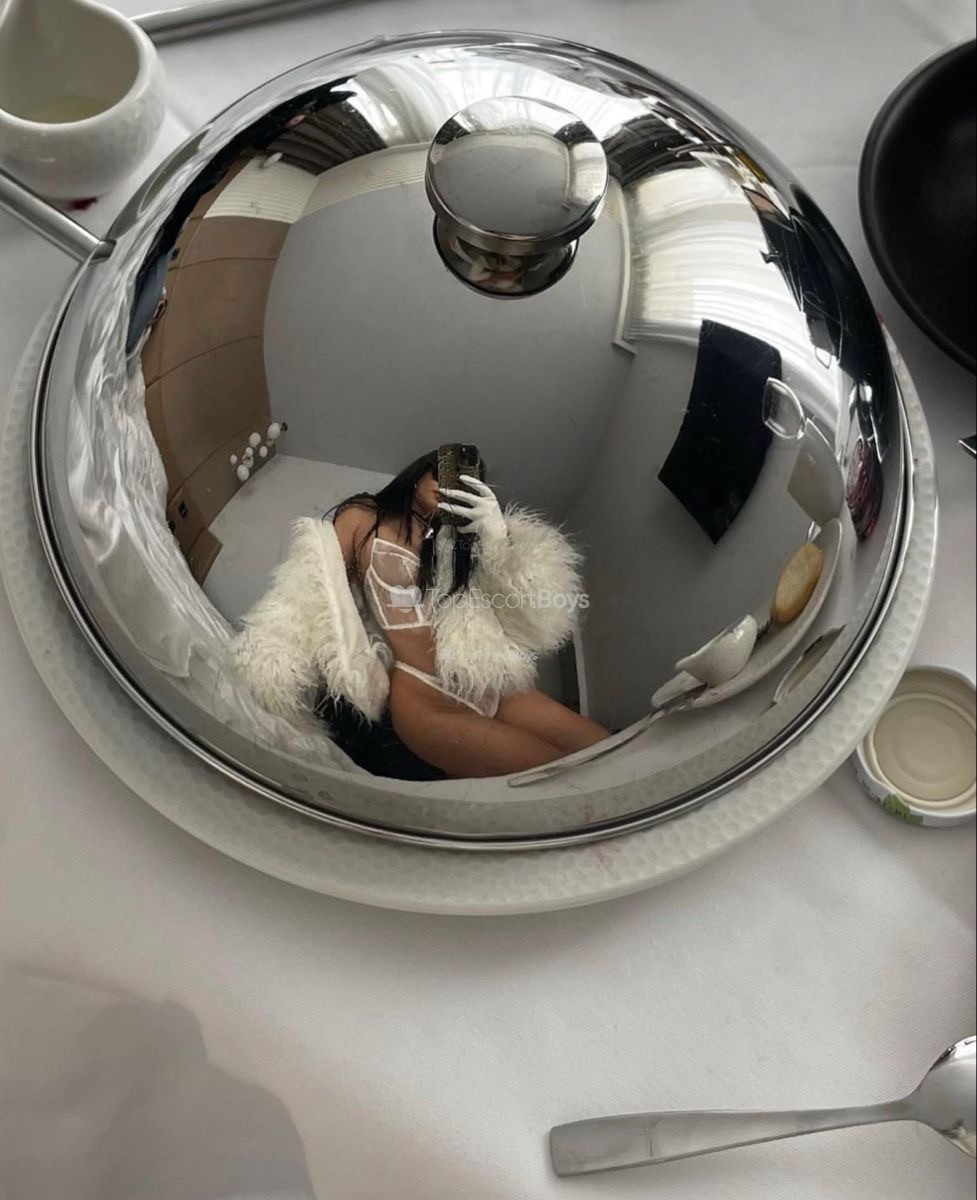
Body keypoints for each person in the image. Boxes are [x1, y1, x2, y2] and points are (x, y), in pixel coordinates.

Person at [230, 449, 609, 779]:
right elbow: (311, 585)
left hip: (488, 681)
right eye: (442, 470)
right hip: (422, 693)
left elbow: (534, 617)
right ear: (418, 473)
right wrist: (272, 653)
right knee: (547, 773)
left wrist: (498, 540)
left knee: (604, 749)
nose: (449, 484)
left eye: (465, 480)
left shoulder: (460, 546)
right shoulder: (364, 517)